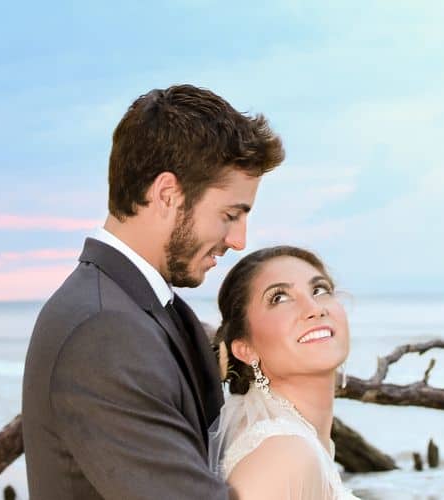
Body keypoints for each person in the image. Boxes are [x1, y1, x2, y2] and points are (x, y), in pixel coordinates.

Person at [22, 84, 284, 499]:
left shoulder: (145, 308)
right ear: (167, 195)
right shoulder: (103, 331)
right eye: (229, 215)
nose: (239, 240)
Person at [209, 245, 360, 499]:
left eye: (319, 290)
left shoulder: (296, 444)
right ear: (245, 349)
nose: (314, 308)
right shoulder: (284, 455)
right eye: (279, 298)